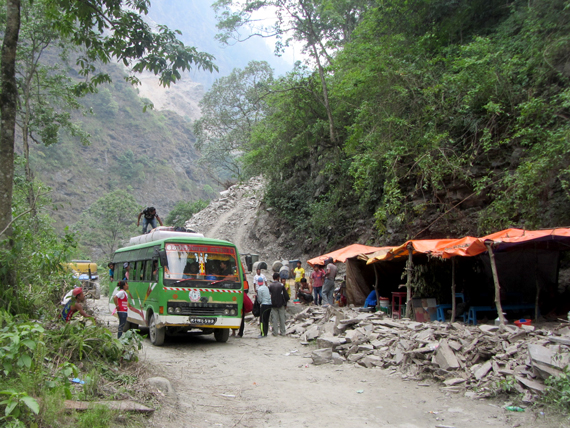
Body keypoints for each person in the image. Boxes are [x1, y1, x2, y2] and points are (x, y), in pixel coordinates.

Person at [269, 272, 289, 336]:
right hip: (281, 304)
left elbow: (269, 295)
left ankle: (275, 332)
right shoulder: (281, 285)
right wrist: (285, 304)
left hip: (273, 304)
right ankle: (283, 332)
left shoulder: (270, 286)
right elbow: (285, 296)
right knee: (282, 318)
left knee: (274, 319)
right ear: (278, 278)